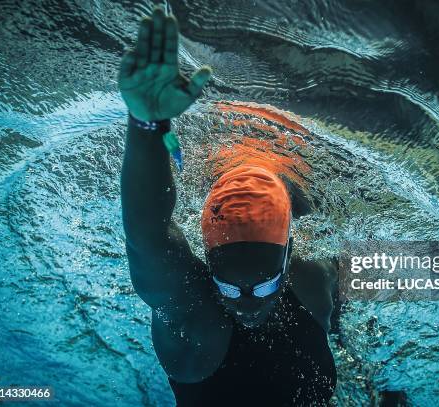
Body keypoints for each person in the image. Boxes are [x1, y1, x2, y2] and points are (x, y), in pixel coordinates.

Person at [119, 7, 339, 406]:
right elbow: (146, 237)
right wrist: (145, 125)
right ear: (207, 265)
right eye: (227, 286)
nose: (247, 303)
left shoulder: (313, 278)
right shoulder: (196, 325)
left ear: (289, 255)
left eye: (266, 284)